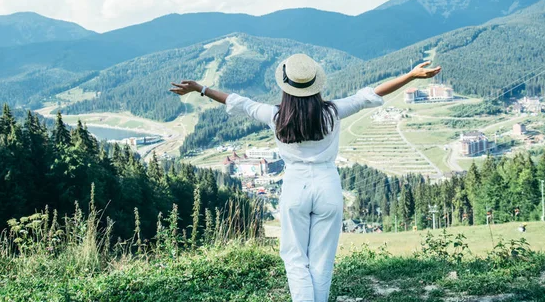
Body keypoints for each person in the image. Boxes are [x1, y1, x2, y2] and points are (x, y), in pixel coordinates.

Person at [170, 53, 441, 302]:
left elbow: (238, 102)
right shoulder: (332, 113)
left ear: (286, 87)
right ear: (316, 85)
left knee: (295, 257)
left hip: (295, 187)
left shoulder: (276, 116)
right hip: (328, 187)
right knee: (322, 259)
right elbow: (367, 96)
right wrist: (410, 76)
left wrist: (201, 89)